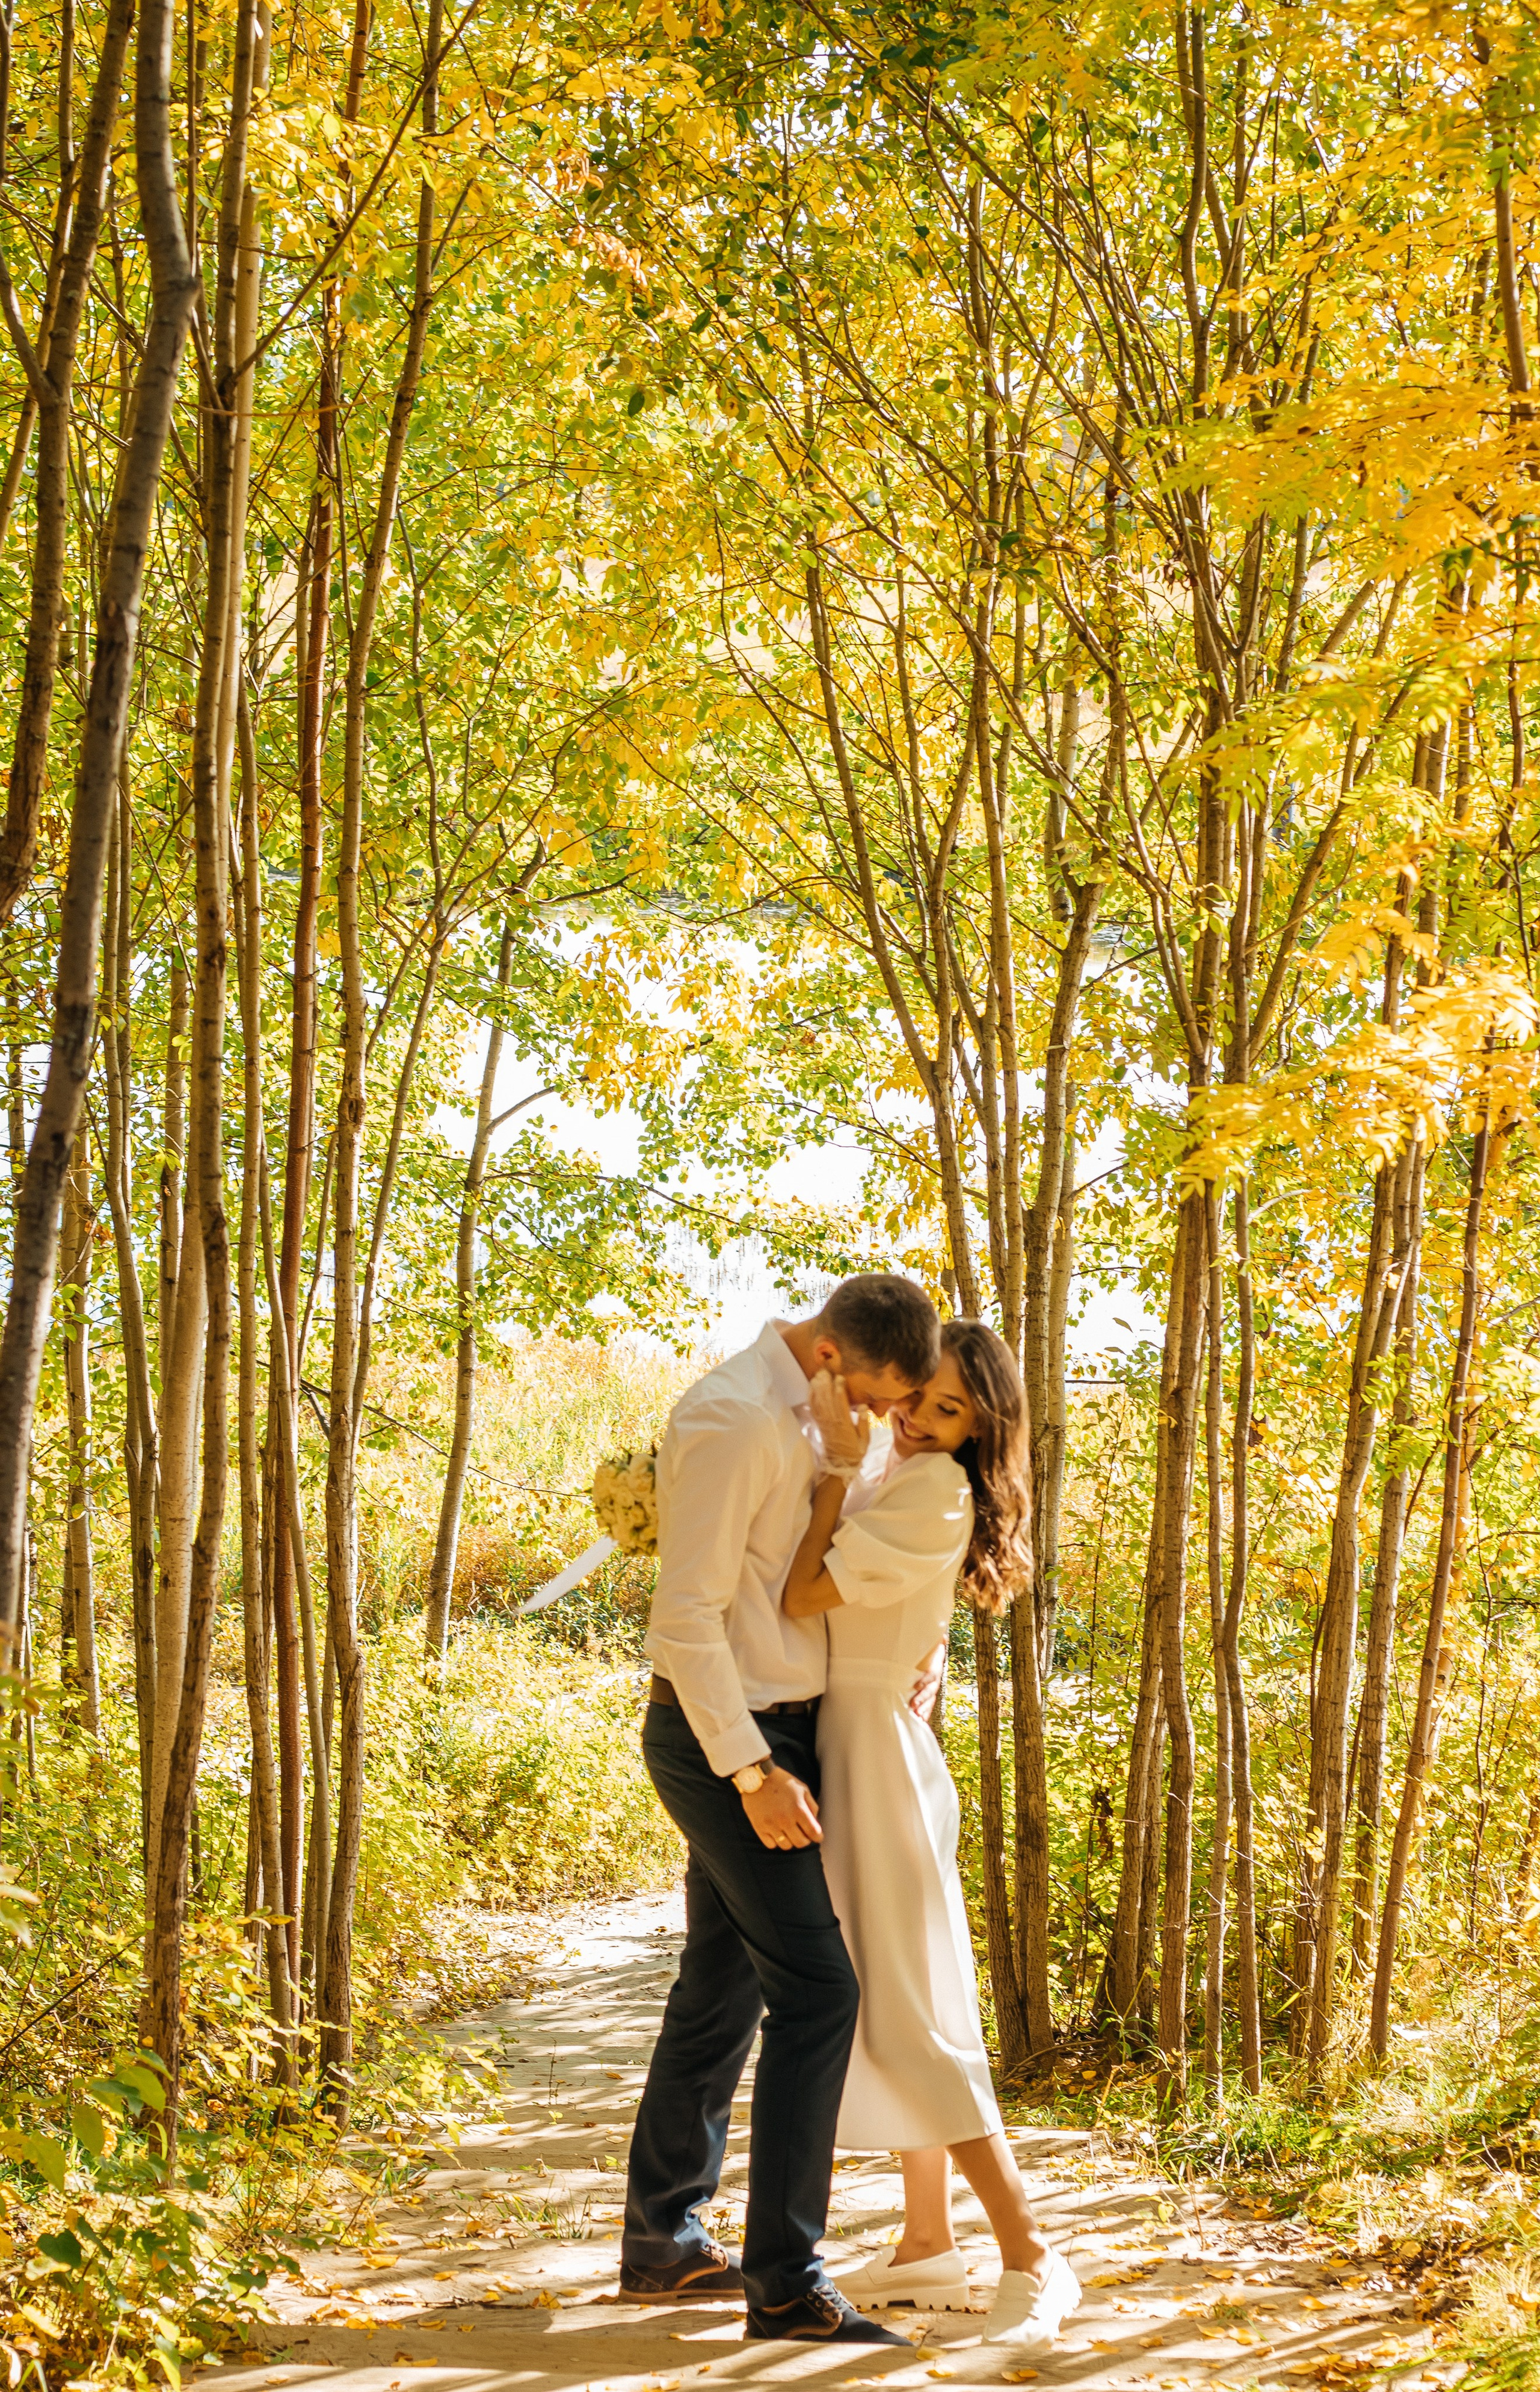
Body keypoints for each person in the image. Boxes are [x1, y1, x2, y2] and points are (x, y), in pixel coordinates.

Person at [621, 1274, 940, 2346]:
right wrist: (752, 1772)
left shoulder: (813, 1425)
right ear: (828, 1358)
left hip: (786, 1729)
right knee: (819, 1992)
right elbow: (689, 1617)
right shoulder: (731, 1418)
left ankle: (663, 2242)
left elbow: (801, 1582)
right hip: (731, 1742)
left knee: (723, 1986)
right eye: (887, 1400)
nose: (894, 1421)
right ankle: (789, 2283)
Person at [779, 1320, 1082, 2358]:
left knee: (913, 2010)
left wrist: (833, 1474)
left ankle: (1034, 2252)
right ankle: (924, 2242)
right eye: (918, 1397)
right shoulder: (899, 1476)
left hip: (877, 1762)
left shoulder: (930, 1487)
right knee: (882, 1994)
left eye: (948, 1412)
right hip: (854, 1742)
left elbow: (806, 1593)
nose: (916, 1420)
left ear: (976, 1432)